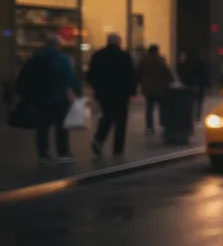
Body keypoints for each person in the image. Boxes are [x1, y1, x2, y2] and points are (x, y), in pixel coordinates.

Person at [16, 35, 79, 163]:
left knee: (42, 126)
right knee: (61, 126)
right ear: (57, 45)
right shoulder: (62, 59)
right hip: (59, 97)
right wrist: (77, 92)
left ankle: (42, 153)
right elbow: (70, 78)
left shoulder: (35, 58)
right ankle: (63, 153)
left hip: (41, 98)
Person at [86, 34, 136, 157]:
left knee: (107, 116)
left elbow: (90, 75)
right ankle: (118, 148)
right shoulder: (124, 56)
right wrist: (132, 91)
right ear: (118, 43)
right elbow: (131, 75)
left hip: (104, 93)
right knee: (121, 120)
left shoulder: (98, 55)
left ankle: (98, 140)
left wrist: (96, 88)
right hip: (121, 93)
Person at [136, 44, 174, 134]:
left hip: (148, 88)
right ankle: (162, 126)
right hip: (160, 88)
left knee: (149, 107)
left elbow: (138, 73)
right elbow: (166, 72)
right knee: (162, 108)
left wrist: (137, 84)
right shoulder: (159, 60)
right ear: (157, 51)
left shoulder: (143, 61)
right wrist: (171, 81)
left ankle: (149, 127)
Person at [177, 49, 211, 120]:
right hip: (200, 85)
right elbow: (206, 74)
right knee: (199, 102)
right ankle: (197, 116)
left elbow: (183, 73)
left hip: (190, 84)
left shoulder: (188, 62)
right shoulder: (202, 62)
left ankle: (189, 116)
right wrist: (208, 85)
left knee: (190, 101)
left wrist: (183, 82)